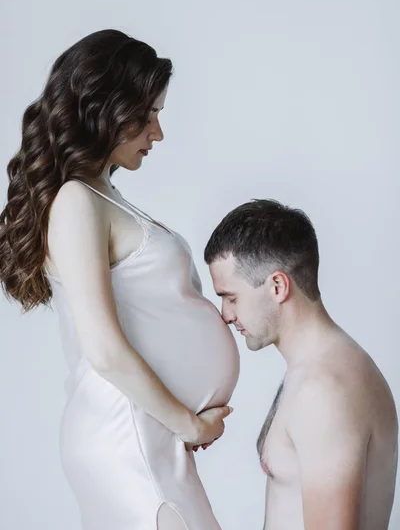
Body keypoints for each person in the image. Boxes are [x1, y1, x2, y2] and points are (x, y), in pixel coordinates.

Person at [0, 29, 240, 530]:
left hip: (148, 429)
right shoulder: (76, 202)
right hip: (126, 431)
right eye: (148, 115)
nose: (158, 133)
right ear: (106, 109)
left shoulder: (100, 195)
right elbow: (104, 349)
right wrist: (190, 425)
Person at [204, 199, 398, 530]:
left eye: (231, 297)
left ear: (278, 286)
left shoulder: (324, 392)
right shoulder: (321, 371)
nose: (226, 314)